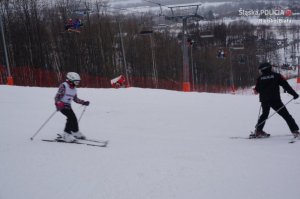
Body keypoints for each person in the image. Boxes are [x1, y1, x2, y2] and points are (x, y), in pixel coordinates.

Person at [252, 62, 299, 138]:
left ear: (263, 70)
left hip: (264, 100)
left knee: (264, 115)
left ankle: (258, 131)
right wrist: (294, 94)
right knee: (286, 115)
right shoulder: (277, 76)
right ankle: (295, 131)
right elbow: (286, 86)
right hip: (275, 100)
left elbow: (256, 91)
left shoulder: (260, 78)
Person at [55, 72, 90, 142]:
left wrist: (83, 102)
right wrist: (58, 103)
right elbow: (57, 97)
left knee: (74, 118)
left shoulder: (74, 89)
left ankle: (75, 132)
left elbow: (75, 99)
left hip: (68, 106)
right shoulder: (64, 86)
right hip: (61, 106)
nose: (77, 84)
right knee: (70, 117)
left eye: (78, 82)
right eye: (76, 82)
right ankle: (66, 134)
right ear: (70, 80)